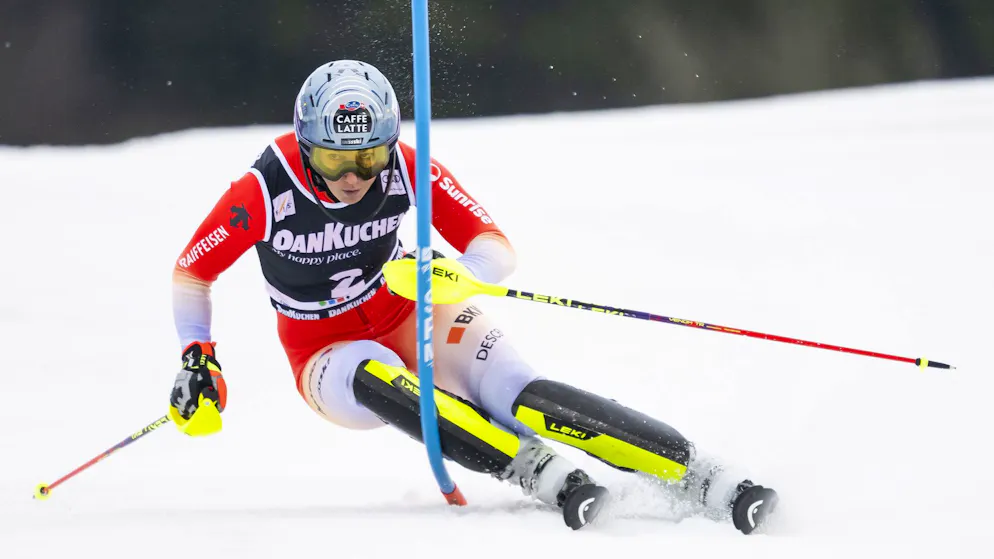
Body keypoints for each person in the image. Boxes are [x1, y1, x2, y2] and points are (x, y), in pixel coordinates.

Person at [168, 59, 778, 532]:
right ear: (305, 144)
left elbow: (494, 247)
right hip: (326, 350)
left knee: (520, 394)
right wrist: (199, 357)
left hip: (408, 305)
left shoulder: (407, 166)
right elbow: (192, 273)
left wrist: (454, 273)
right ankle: (536, 471)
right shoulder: (263, 188)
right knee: (378, 375)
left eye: (367, 156)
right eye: (333, 159)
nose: (354, 177)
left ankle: (702, 475)